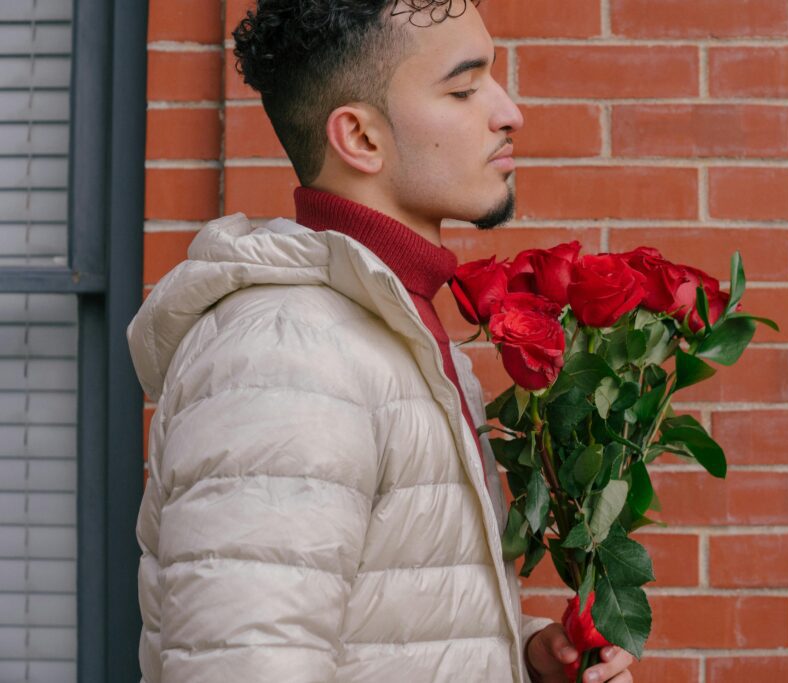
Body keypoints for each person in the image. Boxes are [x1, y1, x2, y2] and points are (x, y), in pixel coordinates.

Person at [127, 1, 637, 681]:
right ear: (361, 138)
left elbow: (383, 619)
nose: (508, 110)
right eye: (464, 89)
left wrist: (524, 658)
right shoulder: (287, 356)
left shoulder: (391, 331)